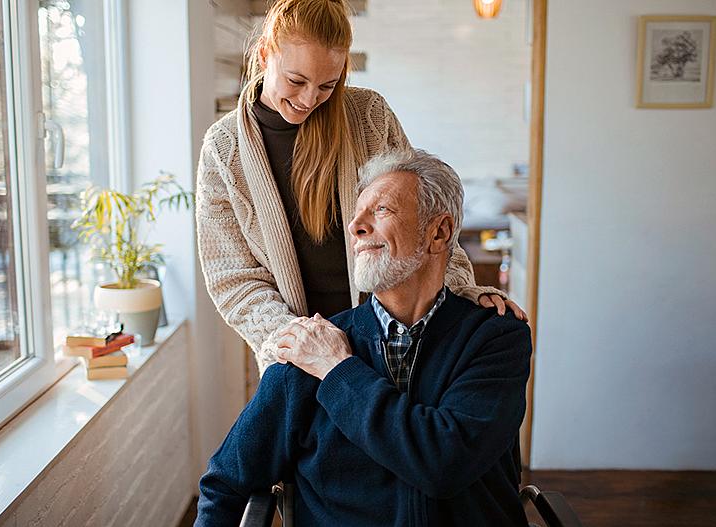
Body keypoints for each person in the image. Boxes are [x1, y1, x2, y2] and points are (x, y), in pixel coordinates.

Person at [195, 149, 531, 526]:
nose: (356, 227)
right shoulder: (307, 352)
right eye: (356, 215)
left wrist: (338, 370)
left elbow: (444, 465)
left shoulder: (496, 337)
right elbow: (226, 484)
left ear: (439, 232)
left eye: (382, 210)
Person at [195, 0, 525, 373]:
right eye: (296, 81)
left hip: (397, 340)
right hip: (297, 359)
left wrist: (462, 292)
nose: (309, 100)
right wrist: (299, 339)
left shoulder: (369, 116)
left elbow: (423, 216)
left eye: (327, 85)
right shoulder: (223, 151)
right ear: (265, 53)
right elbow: (232, 277)